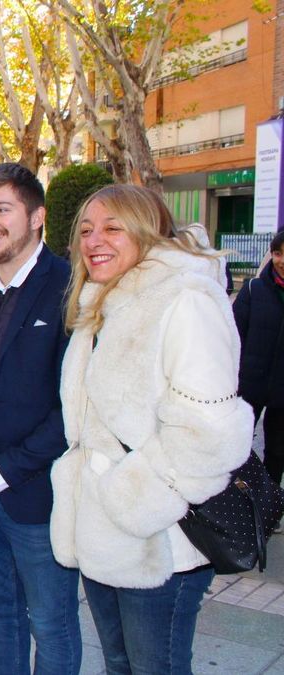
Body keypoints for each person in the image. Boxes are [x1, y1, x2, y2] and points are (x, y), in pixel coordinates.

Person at [50, 184, 252, 674]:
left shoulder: (186, 299)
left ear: (147, 230)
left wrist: (135, 498)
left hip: (160, 538)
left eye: (112, 227)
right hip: (101, 529)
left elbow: (211, 434)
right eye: (86, 229)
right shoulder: (98, 302)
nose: (94, 239)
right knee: (120, 664)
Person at [0, 163, 80, 674]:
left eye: (2, 209)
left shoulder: (68, 285)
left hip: (36, 495)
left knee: (52, 623)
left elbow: (73, 410)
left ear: (37, 217)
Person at [233, 230, 284, 485]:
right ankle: (228, 509)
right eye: (278, 253)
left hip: (282, 394)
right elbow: (232, 337)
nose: (282, 260)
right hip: (249, 387)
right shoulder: (254, 290)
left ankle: (269, 508)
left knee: (277, 452)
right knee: (235, 448)